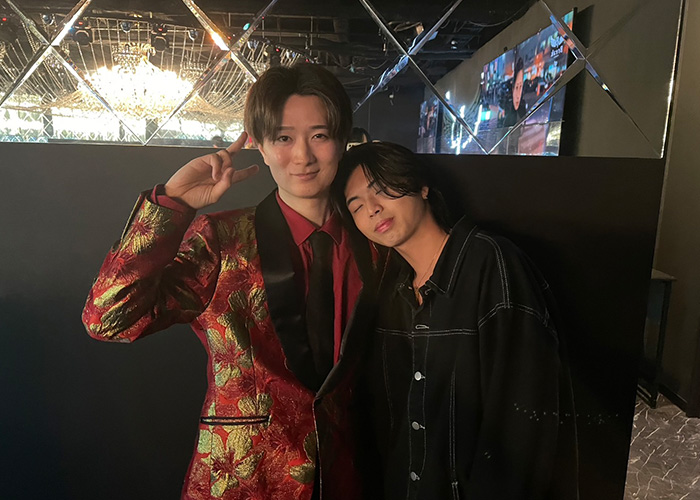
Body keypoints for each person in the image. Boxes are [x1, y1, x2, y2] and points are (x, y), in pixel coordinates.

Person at [82, 63, 379, 500]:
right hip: (244, 481)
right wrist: (173, 203)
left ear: (342, 139)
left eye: (319, 135)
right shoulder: (222, 240)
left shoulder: (374, 243)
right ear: (259, 144)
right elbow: (108, 319)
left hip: (348, 477)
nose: (302, 156)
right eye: (283, 138)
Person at [332, 141, 579, 500]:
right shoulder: (390, 290)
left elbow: (523, 416)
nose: (372, 209)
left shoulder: (491, 263)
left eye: (382, 189)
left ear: (421, 186)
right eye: (356, 206)